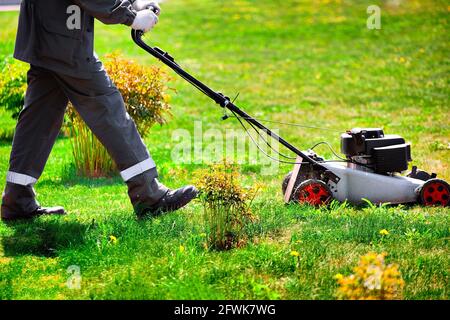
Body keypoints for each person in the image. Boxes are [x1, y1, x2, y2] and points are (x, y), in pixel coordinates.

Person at [1, 0, 198, 221]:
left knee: (38, 120)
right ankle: (150, 196)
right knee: (108, 108)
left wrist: (135, 2)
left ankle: (17, 199)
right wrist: (130, 16)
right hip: (64, 39)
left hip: (48, 36)